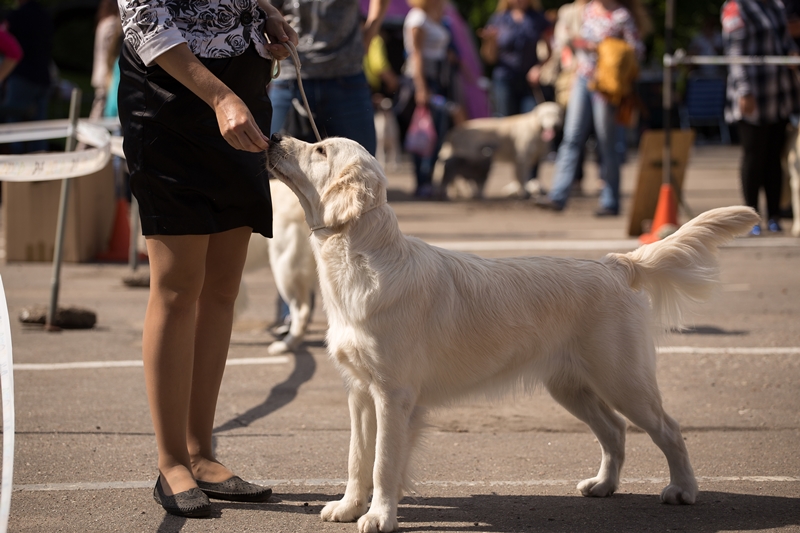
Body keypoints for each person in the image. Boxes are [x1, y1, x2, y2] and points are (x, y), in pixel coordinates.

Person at [115, 0, 297, 518]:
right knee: (177, 288)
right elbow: (144, 15)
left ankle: (202, 453)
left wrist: (264, 10)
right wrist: (219, 97)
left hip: (241, 89)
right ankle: (171, 461)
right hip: (168, 92)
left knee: (222, 290)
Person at [536, 0, 648, 216]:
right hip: (583, 79)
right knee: (571, 137)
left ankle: (610, 201)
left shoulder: (621, 16)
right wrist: (577, 45)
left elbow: (637, 50)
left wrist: (605, 48)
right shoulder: (585, 11)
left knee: (607, 142)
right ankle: (558, 196)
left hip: (607, 86)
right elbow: (568, 43)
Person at [268, 0, 390, 154]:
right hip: (291, 79)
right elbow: (266, 6)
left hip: (346, 77)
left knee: (360, 169)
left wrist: (369, 35)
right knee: (276, 167)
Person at [722, 0, 800, 235]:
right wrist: (744, 90)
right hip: (753, 94)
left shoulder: (775, 5)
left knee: (774, 159)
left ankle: (774, 215)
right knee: (753, 157)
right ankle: (751, 217)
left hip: (778, 95)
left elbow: (784, 39)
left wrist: (791, 53)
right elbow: (734, 51)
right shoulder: (736, 7)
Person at [403, 0, 462, 197]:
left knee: (437, 130)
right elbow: (416, 54)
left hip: (439, 78)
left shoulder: (435, 17)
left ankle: (429, 180)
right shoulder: (417, 18)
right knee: (426, 132)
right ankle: (422, 181)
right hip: (426, 79)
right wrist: (421, 87)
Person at [478, 0, 551, 118]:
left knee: (530, 121)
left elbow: (550, 50)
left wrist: (538, 67)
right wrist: (490, 41)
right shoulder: (499, 19)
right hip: (504, 80)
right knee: (504, 122)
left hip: (529, 81)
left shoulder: (538, 18)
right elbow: (489, 59)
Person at [2, 0, 53, 153]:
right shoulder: (45, 16)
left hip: (22, 77)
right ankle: (42, 170)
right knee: (39, 128)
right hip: (43, 77)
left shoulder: (15, 16)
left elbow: (14, 52)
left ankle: (16, 168)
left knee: (15, 127)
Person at [89, 0, 122, 119]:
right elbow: (112, 50)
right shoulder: (112, 24)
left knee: (99, 106)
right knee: (100, 109)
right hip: (107, 72)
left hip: (101, 71)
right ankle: (89, 136)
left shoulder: (103, 22)